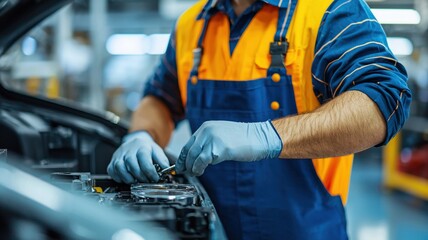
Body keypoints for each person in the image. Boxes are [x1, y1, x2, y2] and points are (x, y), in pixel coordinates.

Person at [107, 0, 411, 239]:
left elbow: (383, 102)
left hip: (305, 231)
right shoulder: (192, 24)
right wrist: (141, 135)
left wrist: (266, 136)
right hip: (209, 228)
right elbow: (160, 97)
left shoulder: (329, 10)